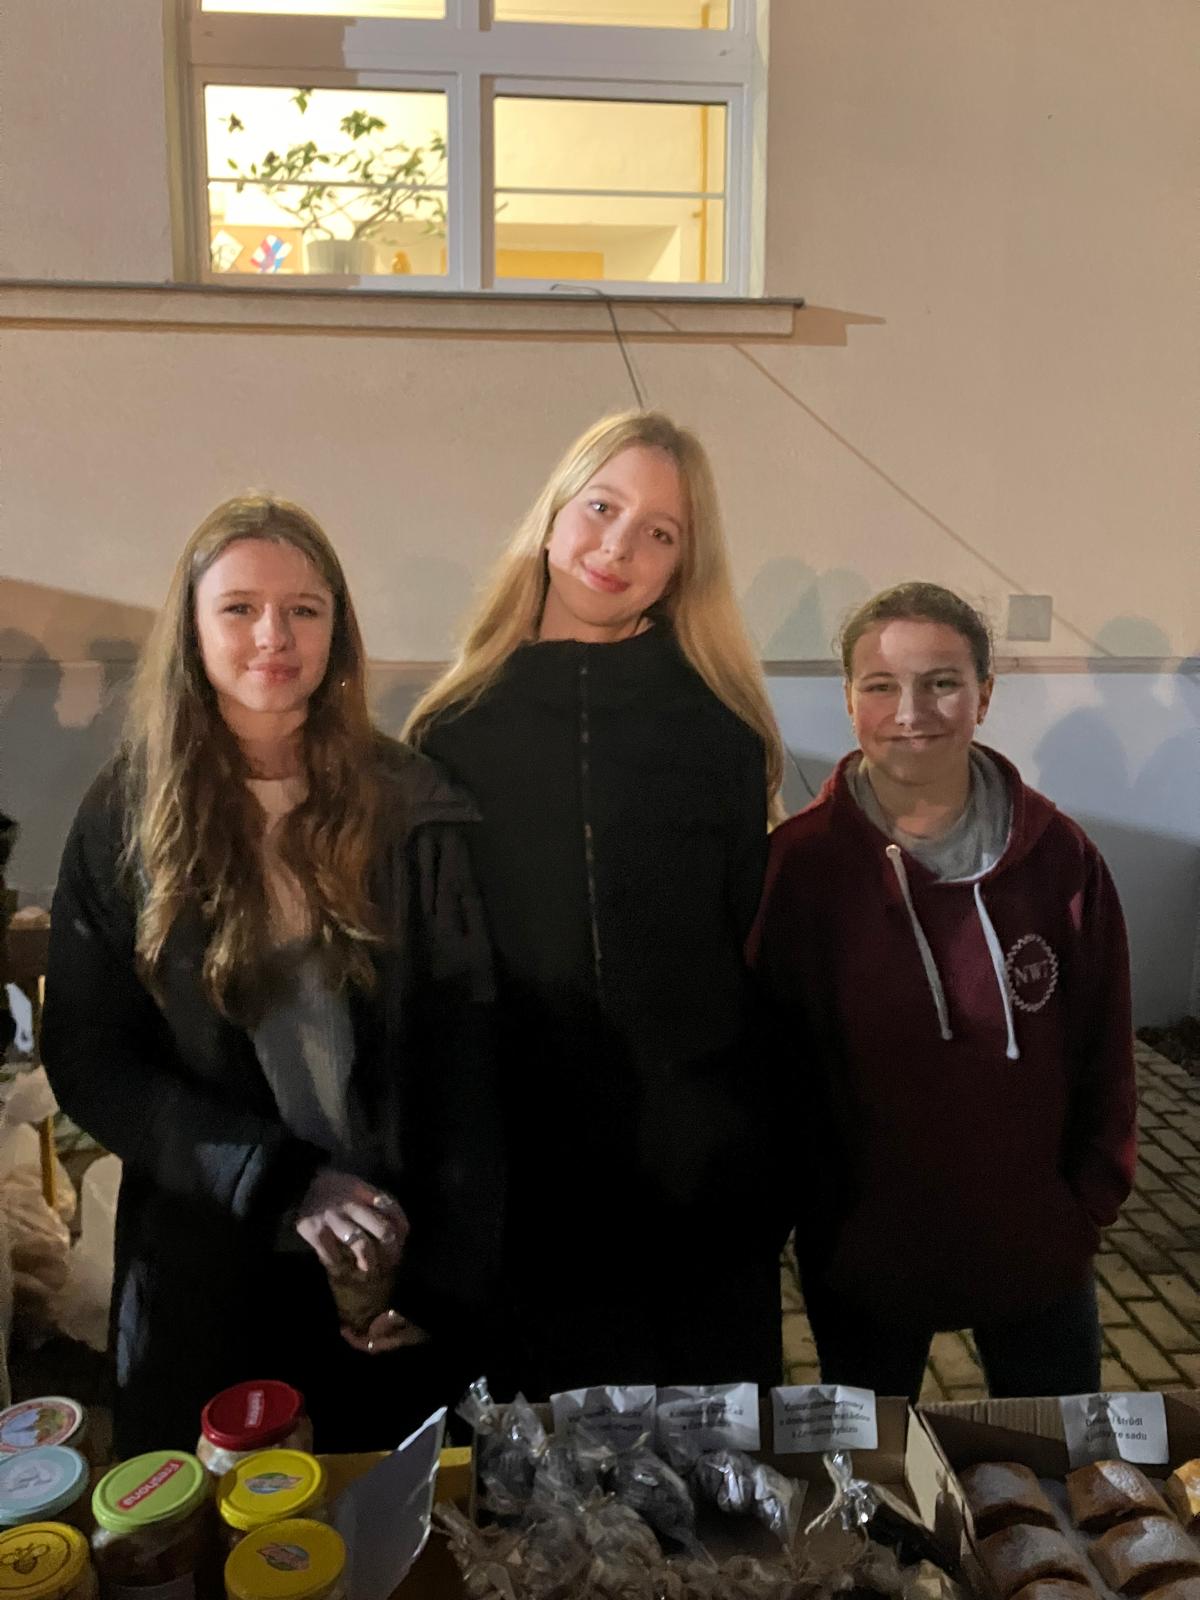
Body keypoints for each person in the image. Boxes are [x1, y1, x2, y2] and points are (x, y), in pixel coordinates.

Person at [41, 496, 503, 1453]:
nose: (273, 636)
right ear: (192, 631)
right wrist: (277, 1178)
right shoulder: (127, 815)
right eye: (240, 608)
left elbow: (467, 1051)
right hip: (210, 1262)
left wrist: (445, 1268)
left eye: (303, 609)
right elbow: (90, 1057)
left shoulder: (411, 804)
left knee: (389, 1515)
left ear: (338, 629)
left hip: (384, 1261)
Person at [405, 410, 791, 1398]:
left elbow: (759, 964)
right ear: (552, 517)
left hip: (700, 1186)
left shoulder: (721, 730)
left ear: (682, 567)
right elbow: (438, 979)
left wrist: (761, 1150)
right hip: (529, 1194)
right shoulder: (453, 731)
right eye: (603, 508)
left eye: (659, 532)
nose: (618, 548)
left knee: (713, 1468)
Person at [749, 581, 1136, 1400]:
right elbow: (771, 1068)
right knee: (877, 1466)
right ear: (848, 701)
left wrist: (1086, 1204)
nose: (910, 711)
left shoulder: (1060, 859)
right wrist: (812, 1214)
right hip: (866, 1252)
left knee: (1057, 1459)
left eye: (941, 682)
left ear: (984, 696)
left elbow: (1105, 1044)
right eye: (881, 685)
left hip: (1037, 1244)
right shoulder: (800, 871)